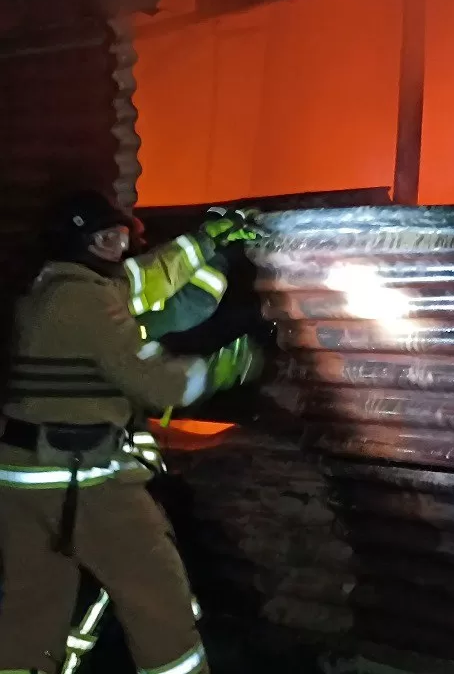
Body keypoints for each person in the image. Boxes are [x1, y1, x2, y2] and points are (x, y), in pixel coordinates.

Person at [0, 191, 264, 674]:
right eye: (106, 238)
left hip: (25, 477)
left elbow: (153, 278)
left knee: (30, 616)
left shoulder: (53, 289)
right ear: (77, 243)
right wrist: (225, 367)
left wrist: (209, 245)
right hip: (84, 477)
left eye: (120, 236)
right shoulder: (84, 299)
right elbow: (158, 382)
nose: (119, 247)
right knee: (158, 597)